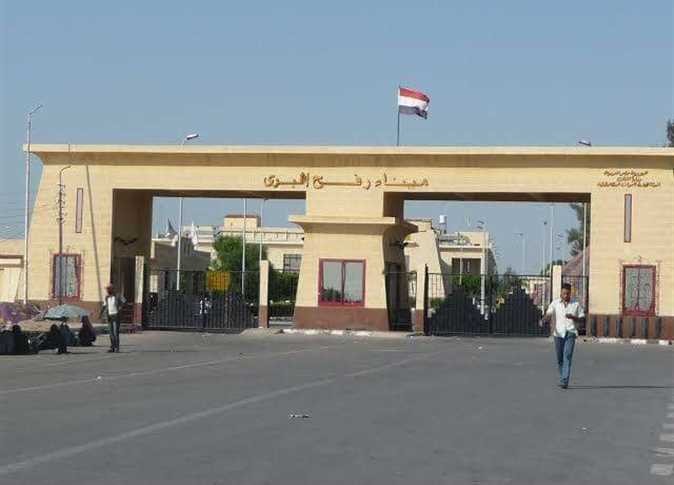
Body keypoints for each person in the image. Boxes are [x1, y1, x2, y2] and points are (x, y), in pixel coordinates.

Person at [541, 283, 585, 389]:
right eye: (563, 293)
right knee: (560, 358)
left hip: (570, 332)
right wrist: (544, 320)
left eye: (567, 293)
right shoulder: (555, 303)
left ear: (570, 293)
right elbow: (549, 314)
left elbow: (582, 319)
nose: (565, 295)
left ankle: (565, 380)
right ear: (561, 293)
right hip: (558, 334)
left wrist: (573, 317)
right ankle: (562, 377)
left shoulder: (576, 304)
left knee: (567, 356)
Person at [100, 284, 125, 353]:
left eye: (109, 289)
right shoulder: (106, 297)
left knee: (115, 332)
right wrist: (100, 314)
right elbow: (104, 306)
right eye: (107, 289)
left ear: (112, 289)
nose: (107, 290)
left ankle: (117, 347)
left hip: (116, 316)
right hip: (109, 316)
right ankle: (112, 347)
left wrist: (120, 308)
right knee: (111, 332)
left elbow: (124, 301)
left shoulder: (118, 296)